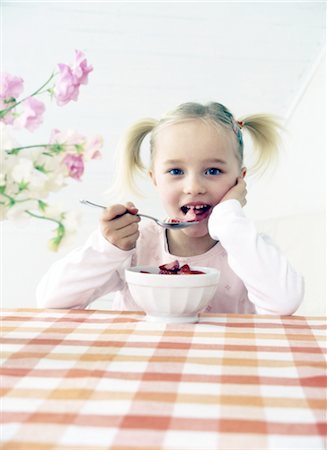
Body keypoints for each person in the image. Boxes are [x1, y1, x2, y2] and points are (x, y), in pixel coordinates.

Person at [36, 102, 304, 314]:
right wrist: (108, 248)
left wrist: (230, 219)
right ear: (154, 178)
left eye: (213, 170)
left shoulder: (247, 248)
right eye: (176, 170)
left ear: (240, 179)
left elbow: (284, 302)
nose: (193, 186)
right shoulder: (136, 247)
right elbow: (52, 300)